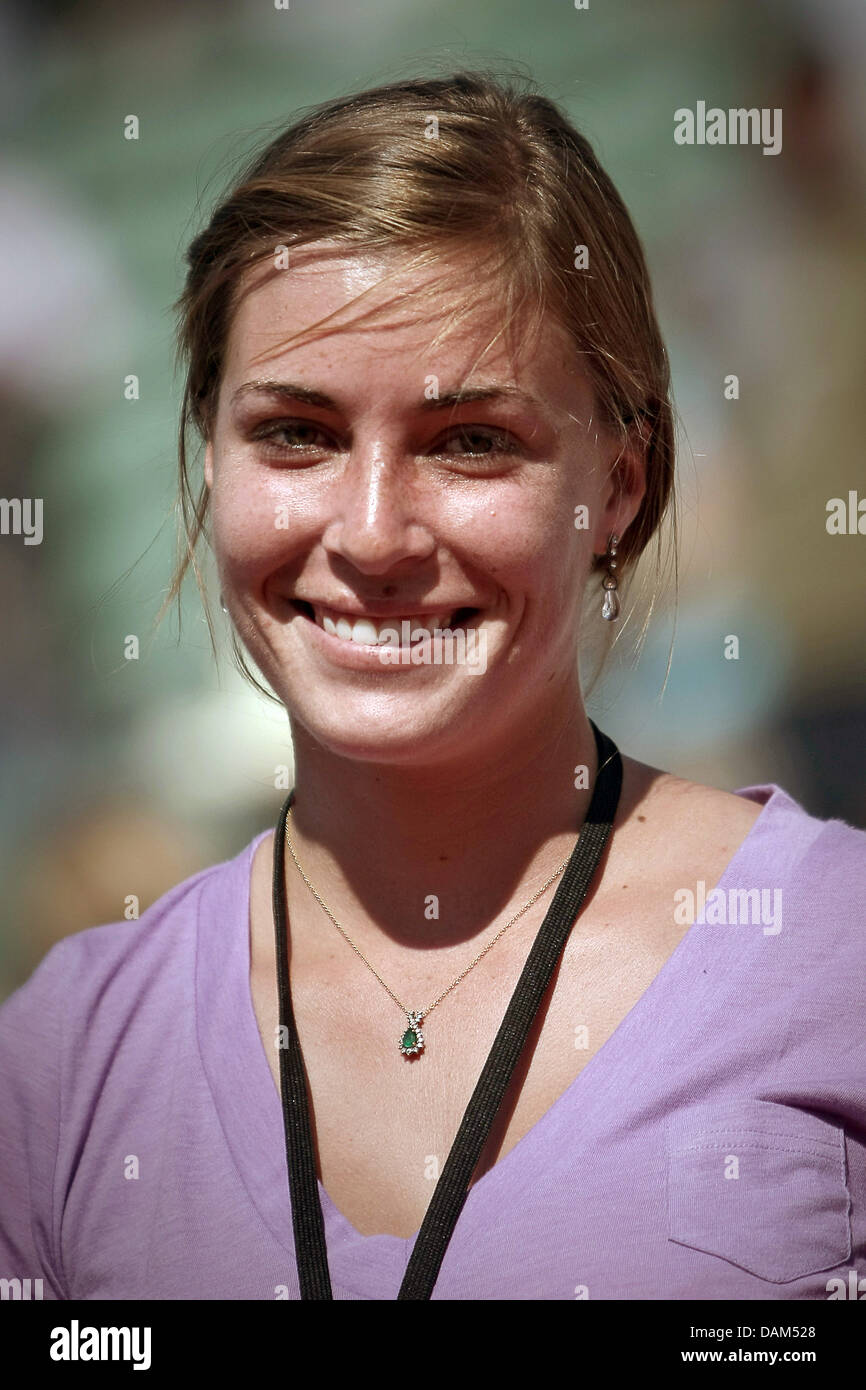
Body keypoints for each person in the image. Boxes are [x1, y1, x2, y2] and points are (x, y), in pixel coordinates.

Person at [1, 70, 864, 1302]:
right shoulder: (63, 1062)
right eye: (294, 432)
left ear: (617, 486)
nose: (370, 534)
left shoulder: (834, 958)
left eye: (470, 441)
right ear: (206, 466)